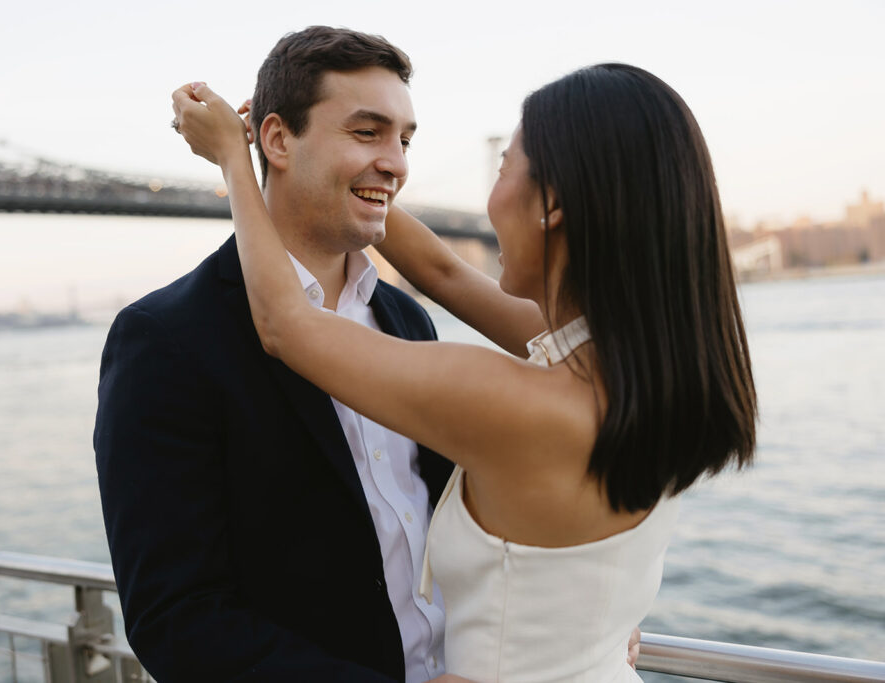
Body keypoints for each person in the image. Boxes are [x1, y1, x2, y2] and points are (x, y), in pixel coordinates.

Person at [172, 61, 757, 682]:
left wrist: (238, 162)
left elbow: (286, 325)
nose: (399, 162)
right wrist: (353, 178)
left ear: (552, 203)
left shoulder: (515, 402)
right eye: (375, 134)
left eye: (506, 167)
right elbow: (445, 273)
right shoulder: (642, 369)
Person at [96, 27, 457, 682]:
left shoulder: (407, 320)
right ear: (276, 139)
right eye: (368, 132)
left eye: (404, 138)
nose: (397, 162)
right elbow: (177, 618)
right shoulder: (164, 338)